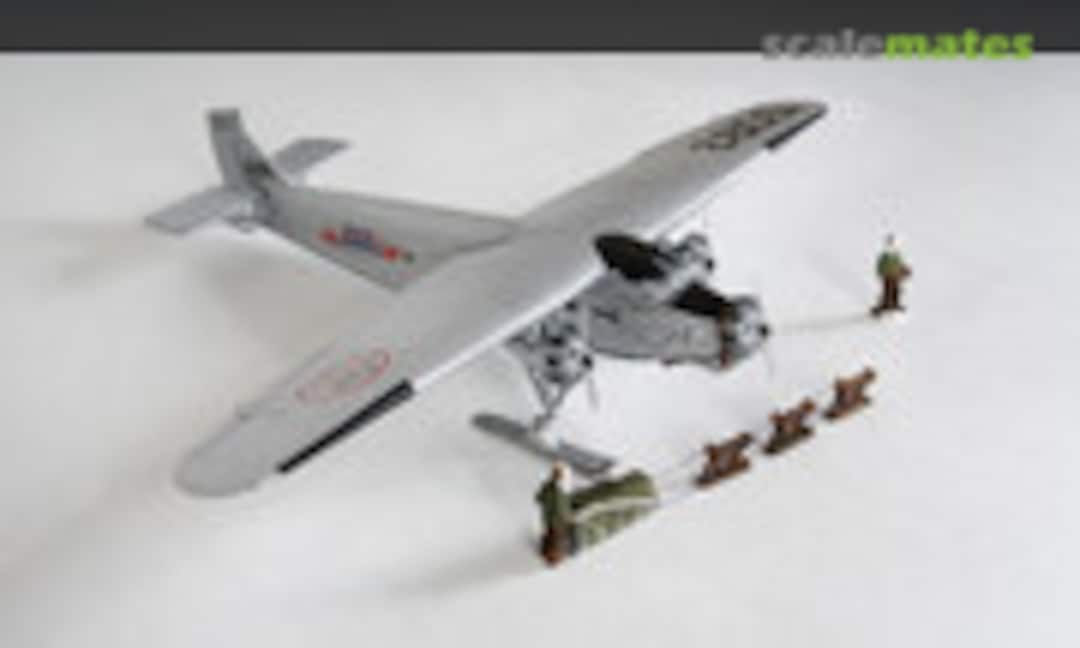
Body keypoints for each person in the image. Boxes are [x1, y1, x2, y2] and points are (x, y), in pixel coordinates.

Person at [534, 462, 574, 565]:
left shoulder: (559, 486)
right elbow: (539, 498)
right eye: (558, 474)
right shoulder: (554, 487)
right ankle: (552, 558)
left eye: (560, 474)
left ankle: (549, 554)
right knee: (554, 539)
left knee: (552, 536)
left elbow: (539, 498)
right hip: (555, 520)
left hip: (554, 519)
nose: (559, 476)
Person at [872, 234, 912, 317]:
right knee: (888, 290)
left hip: (896, 276)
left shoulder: (896, 255)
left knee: (896, 290)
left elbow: (899, 264)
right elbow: (881, 266)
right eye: (890, 243)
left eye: (893, 243)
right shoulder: (885, 256)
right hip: (888, 276)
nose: (892, 245)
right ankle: (886, 304)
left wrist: (904, 270)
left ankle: (895, 303)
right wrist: (884, 273)